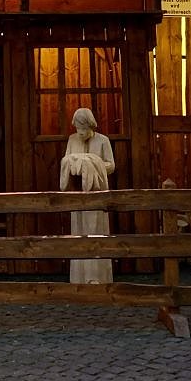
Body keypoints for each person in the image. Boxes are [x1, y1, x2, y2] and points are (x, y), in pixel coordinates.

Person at [59, 107, 115, 284]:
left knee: (96, 231)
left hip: (96, 193)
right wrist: (73, 164)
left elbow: (111, 165)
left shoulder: (103, 141)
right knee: (79, 230)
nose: (80, 133)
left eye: (83, 129)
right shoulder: (72, 140)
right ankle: (80, 277)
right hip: (78, 193)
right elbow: (66, 160)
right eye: (78, 129)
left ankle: (97, 277)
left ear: (91, 126)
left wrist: (92, 163)